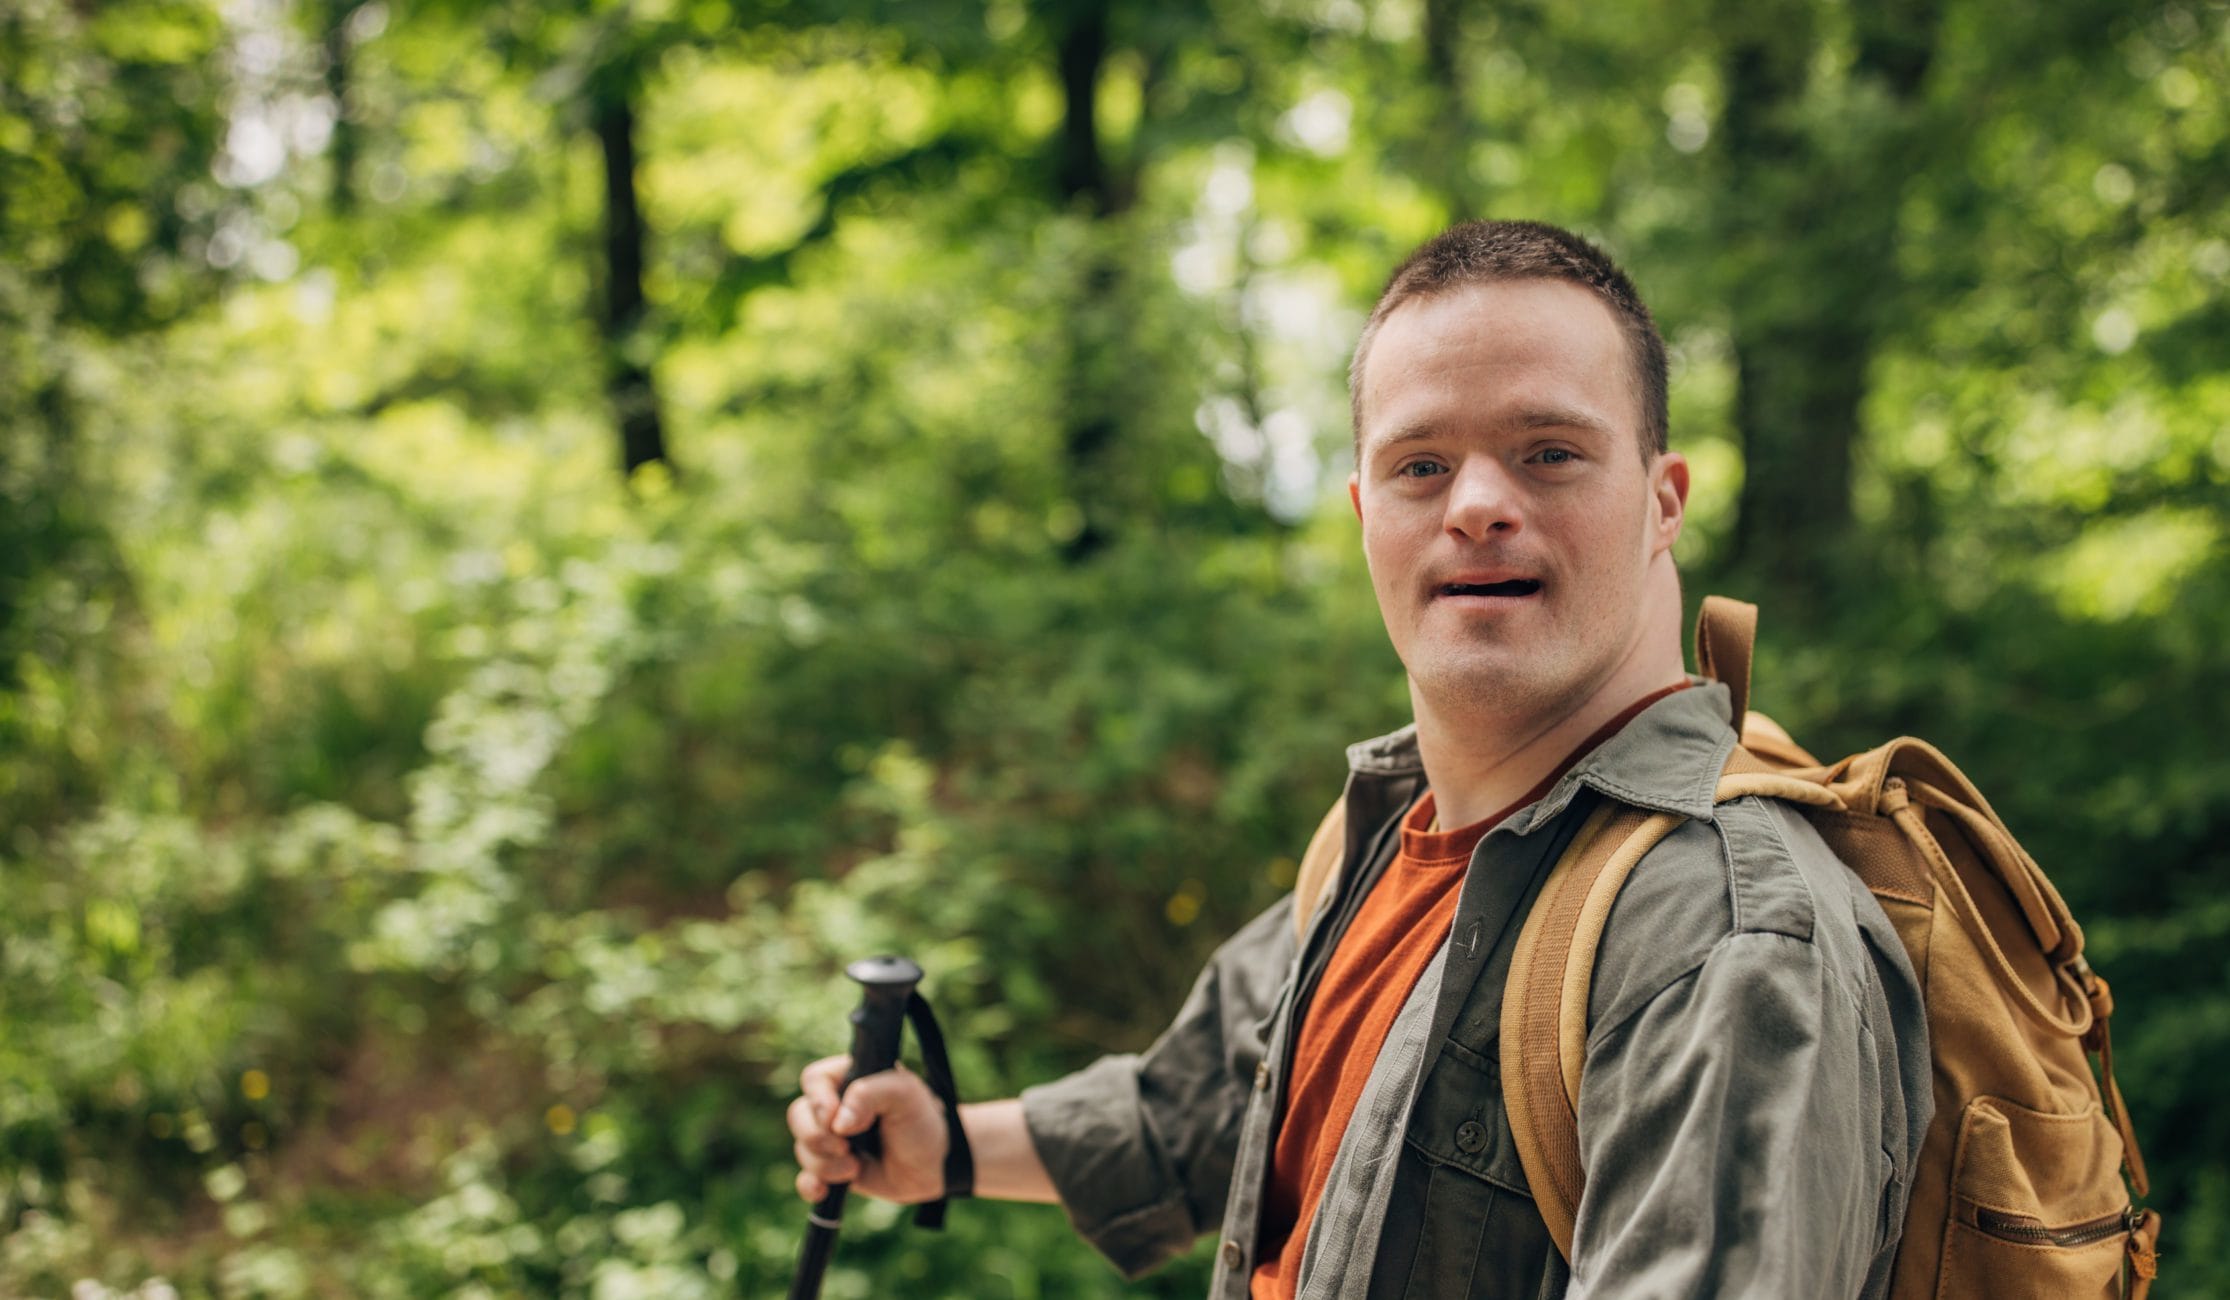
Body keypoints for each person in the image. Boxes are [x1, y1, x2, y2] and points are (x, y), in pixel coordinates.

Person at [788, 220, 1932, 1298]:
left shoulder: (1717, 938)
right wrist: (941, 1145)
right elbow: (1199, 1110)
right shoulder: (1382, 837)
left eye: (1547, 452)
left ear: (1661, 501)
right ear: (1363, 512)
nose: (1478, 504)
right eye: (1420, 467)